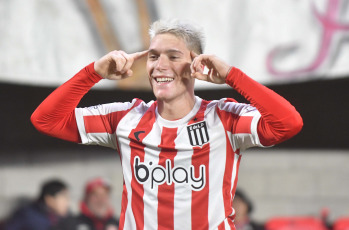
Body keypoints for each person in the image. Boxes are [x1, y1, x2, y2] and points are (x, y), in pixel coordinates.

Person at [31, 19, 303, 230]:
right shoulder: (126, 117)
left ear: (197, 64)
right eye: (153, 56)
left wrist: (233, 76)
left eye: (173, 57)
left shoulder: (223, 117)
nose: (159, 65)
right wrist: (93, 73)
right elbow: (46, 120)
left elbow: (287, 123)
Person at [54, 177, 119, 230]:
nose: (100, 200)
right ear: (86, 198)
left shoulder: (119, 224)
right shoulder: (70, 224)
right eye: (96, 195)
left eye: (104, 195)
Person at [4, 179, 70, 230]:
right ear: (49, 199)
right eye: (64, 197)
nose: (67, 202)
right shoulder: (27, 215)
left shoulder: (67, 217)